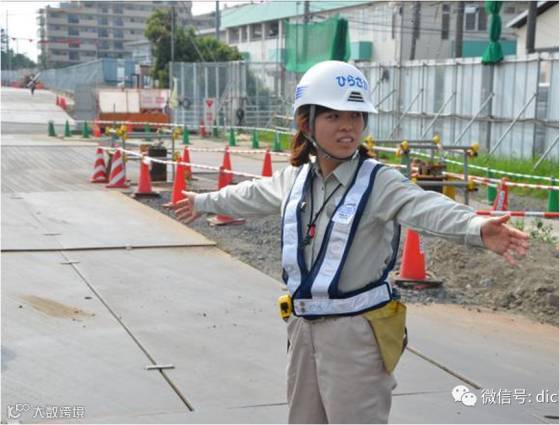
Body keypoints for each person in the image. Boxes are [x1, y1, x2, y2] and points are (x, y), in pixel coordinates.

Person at [170, 60, 528, 423]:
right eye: (333, 116)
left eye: (355, 116)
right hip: (302, 328)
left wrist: (476, 227)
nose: (347, 126)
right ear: (306, 123)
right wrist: (202, 202)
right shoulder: (296, 179)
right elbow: (251, 194)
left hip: (356, 334)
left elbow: (425, 206)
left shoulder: (379, 182)